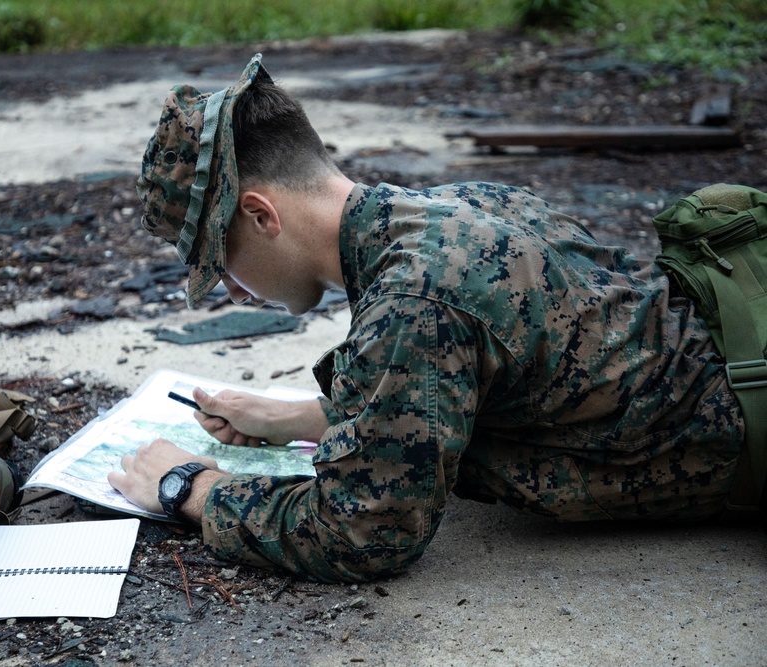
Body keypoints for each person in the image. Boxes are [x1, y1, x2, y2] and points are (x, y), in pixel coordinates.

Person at [109, 54, 752, 583]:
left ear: (260, 215)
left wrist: (189, 487)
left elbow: (362, 533)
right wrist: (300, 416)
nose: (232, 290)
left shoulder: (413, 301)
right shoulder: (461, 205)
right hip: (731, 339)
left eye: (221, 263)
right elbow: (504, 376)